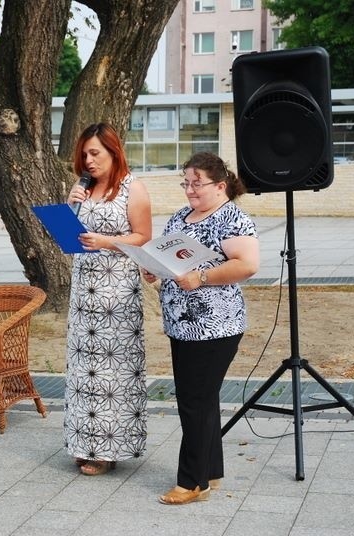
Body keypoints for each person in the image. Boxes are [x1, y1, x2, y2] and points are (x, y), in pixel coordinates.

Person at [142, 152, 259, 505]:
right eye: (186, 182)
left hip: (215, 325)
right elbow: (169, 260)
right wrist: (155, 270)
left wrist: (203, 276)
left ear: (220, 185)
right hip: (182, 324)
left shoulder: (233, 218)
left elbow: (248, 264)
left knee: (193, 401)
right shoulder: (181, 216)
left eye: (197, 183)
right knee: (202, 399)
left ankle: (192, 482)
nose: (190, 190)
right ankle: (210, 470)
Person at [63, 122, 152, 476]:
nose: (88, 160)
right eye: (84, 154)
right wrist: (69, 208)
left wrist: (108, 241)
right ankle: (83, 442)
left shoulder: (134, 189)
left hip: (117, 296)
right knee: (84, 371)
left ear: (114, 152)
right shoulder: (83, 190)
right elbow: (71, 238)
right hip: (83, 293)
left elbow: (144, 237)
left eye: (95, 153)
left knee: (112, 374)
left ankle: (108, 449)